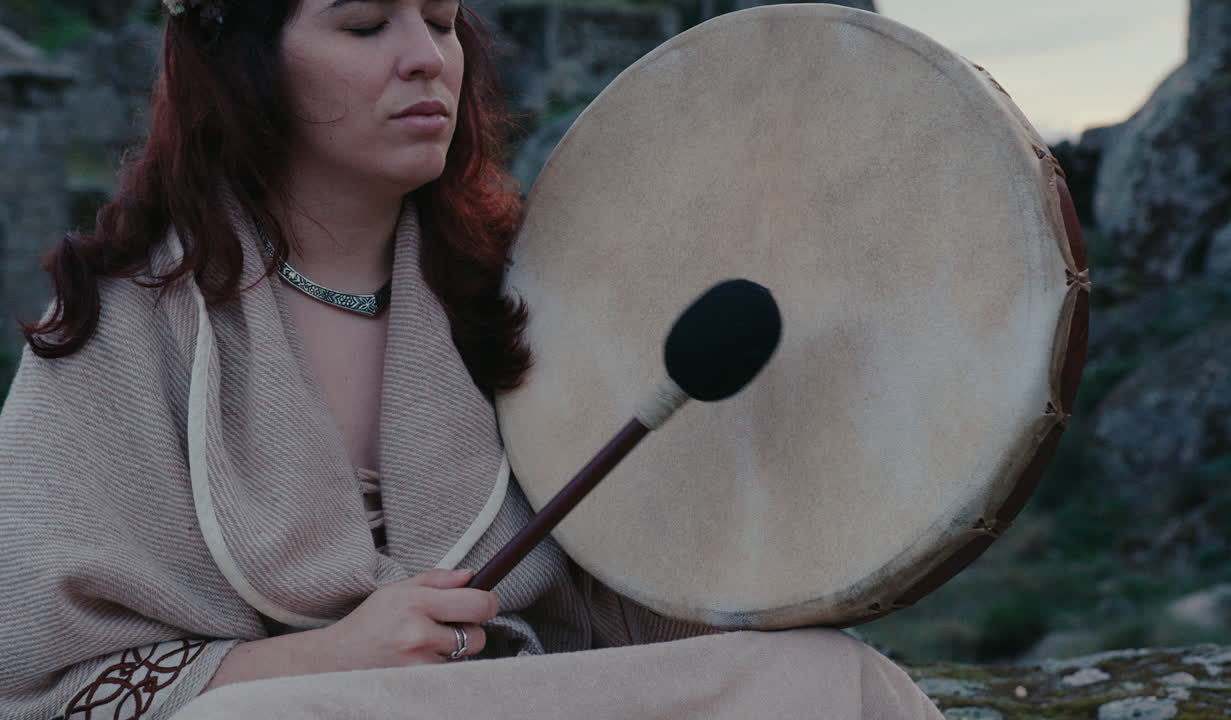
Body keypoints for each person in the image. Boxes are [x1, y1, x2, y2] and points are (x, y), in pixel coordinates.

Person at [0, 1, 944, 717]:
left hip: (513, 695)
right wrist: (333, 657)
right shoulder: (121, 315)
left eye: (444, 22)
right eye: (366, 24)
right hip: (297, 709)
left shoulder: (522, 292)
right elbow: (46, 684)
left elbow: (636, 604)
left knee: (830, 680)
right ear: (244, 64)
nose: (425, 57)